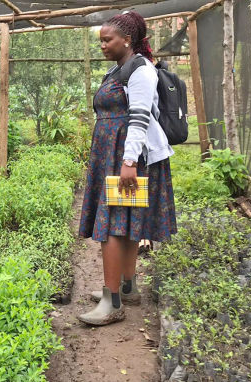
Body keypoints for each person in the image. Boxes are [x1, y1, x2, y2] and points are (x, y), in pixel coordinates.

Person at [78, 11, 177, 326]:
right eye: (101, 40)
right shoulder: (119, 69)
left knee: (112, 226)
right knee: (125, 220)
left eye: (107, 40)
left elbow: (140, 117)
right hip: (115, 155)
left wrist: (129, 163)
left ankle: (112, 302)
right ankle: (128, 286)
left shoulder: (141, 71)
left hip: (128, 159)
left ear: (127, 40)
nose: (103, 45)